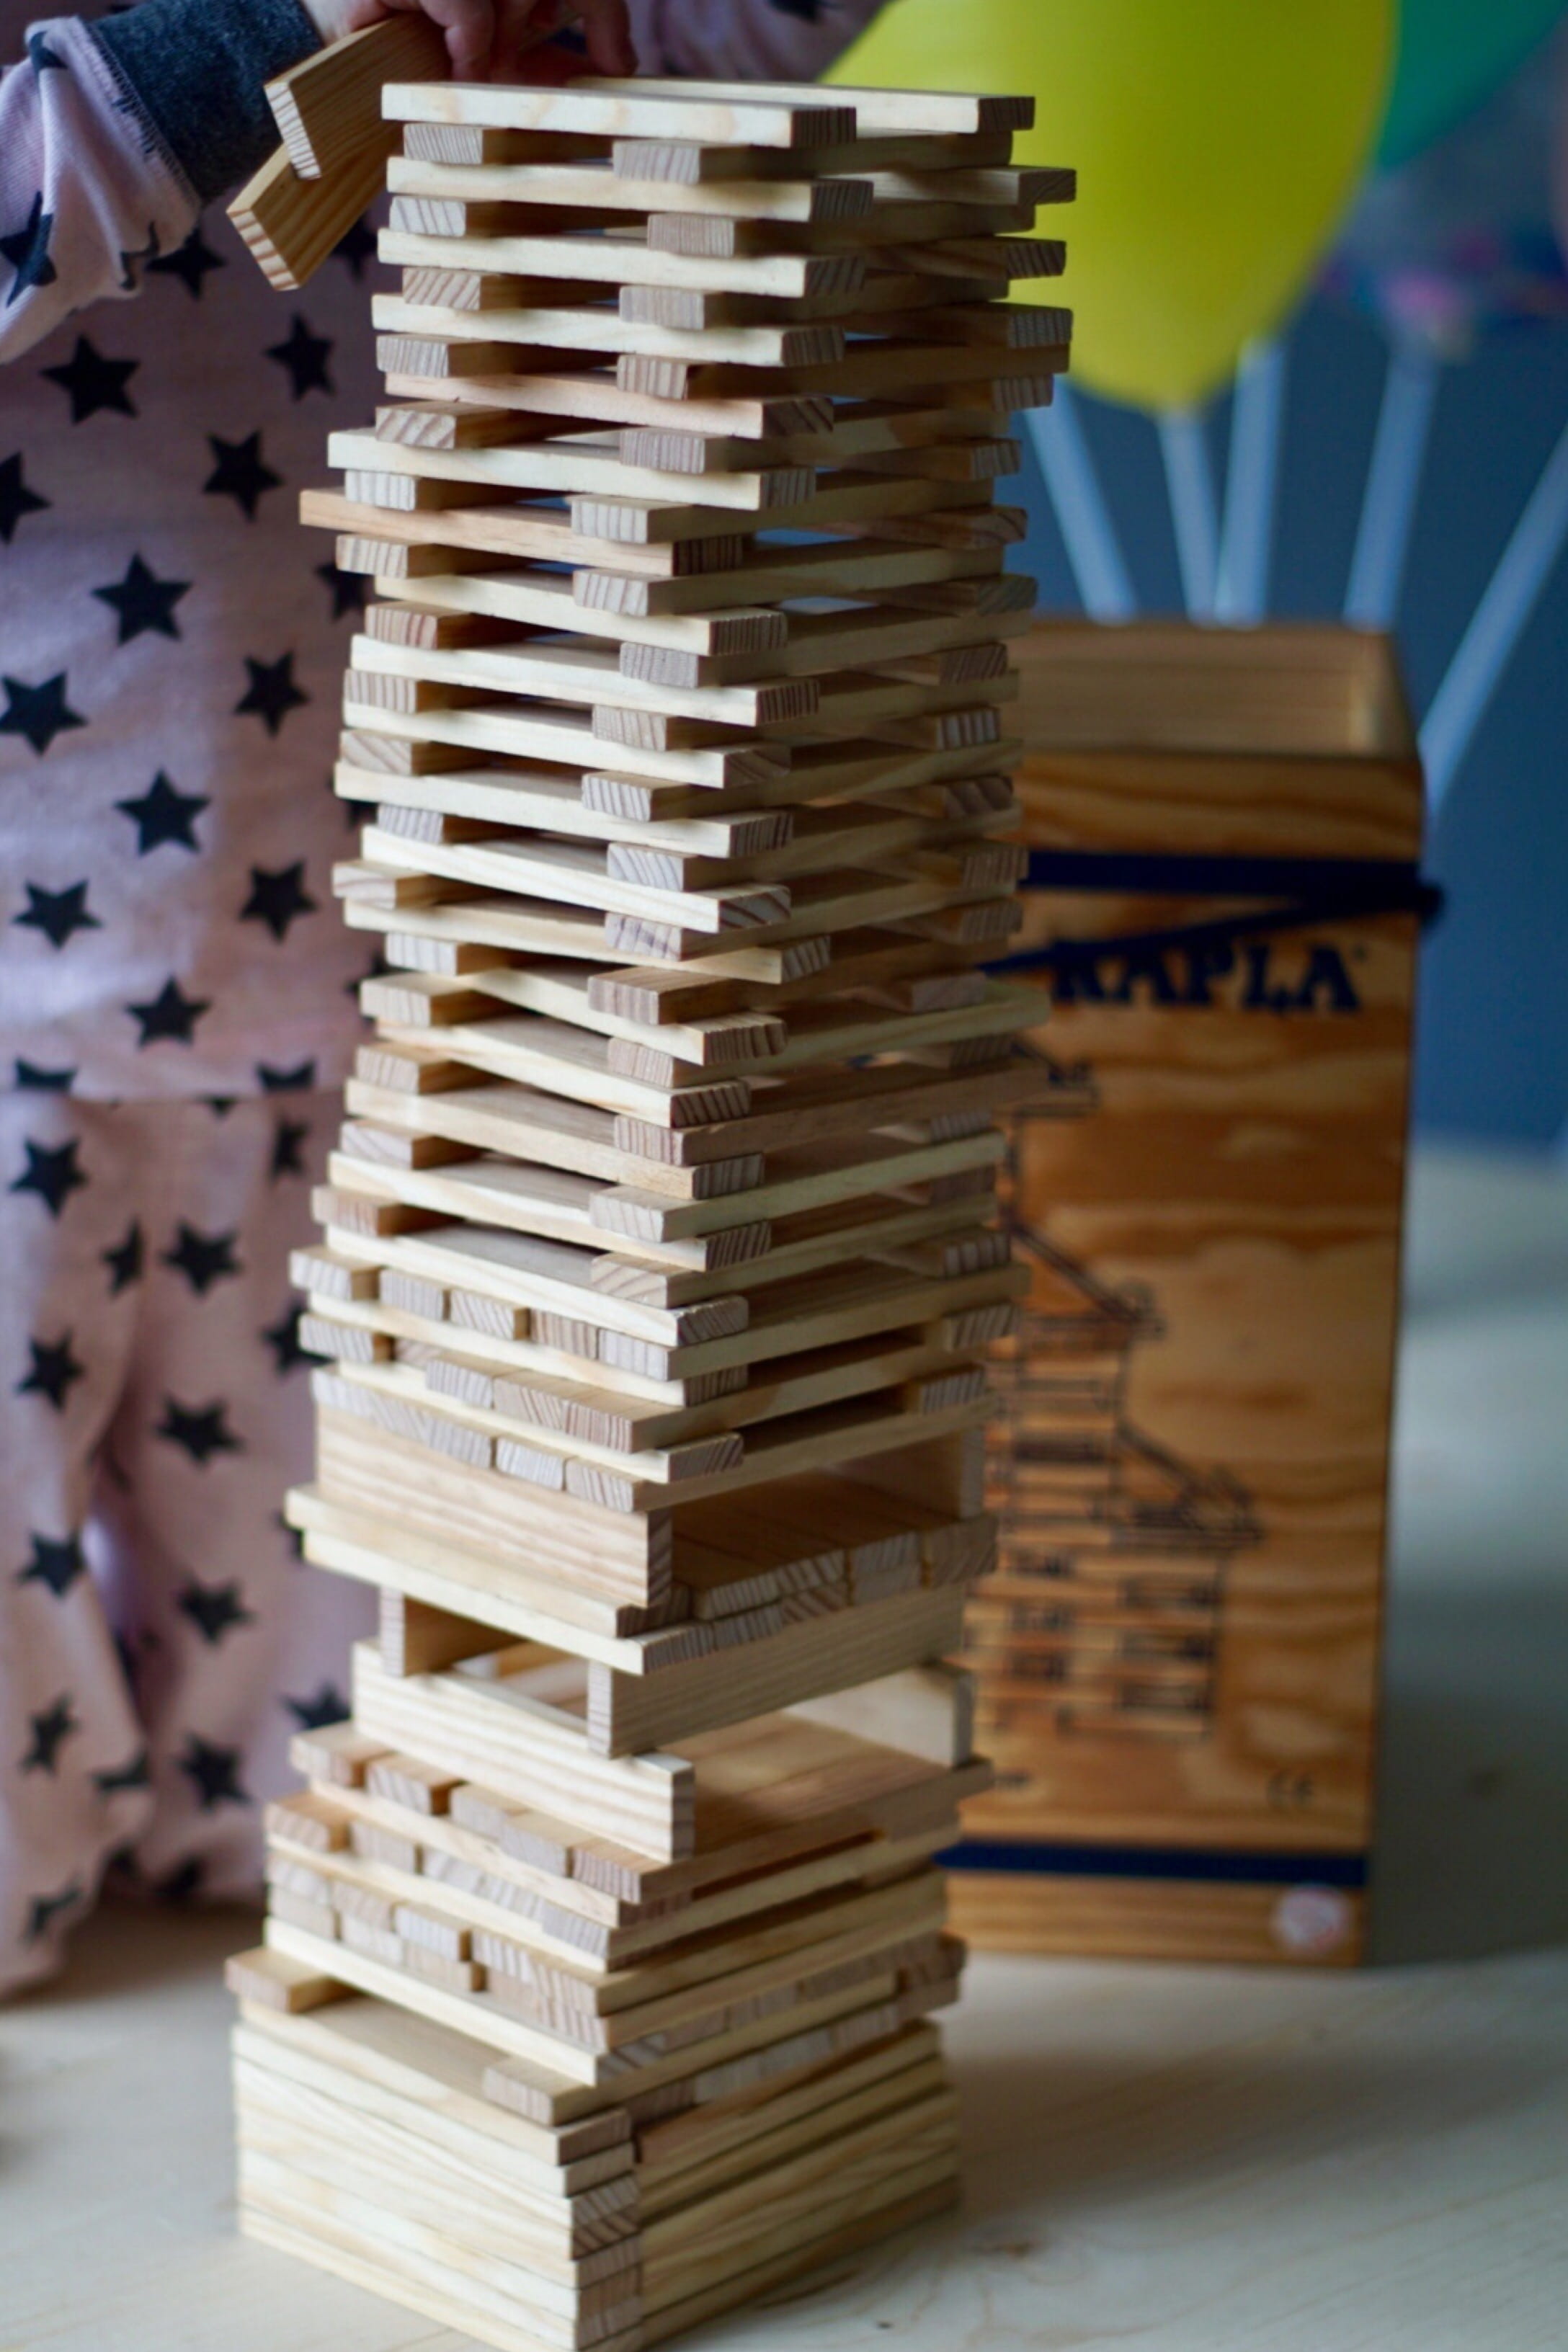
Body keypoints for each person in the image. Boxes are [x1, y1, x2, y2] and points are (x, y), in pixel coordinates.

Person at [0, 0, 886, 1995]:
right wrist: (254, 40)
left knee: (298, 1797)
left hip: (371, 955)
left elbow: (722, 37)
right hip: (32, 977)